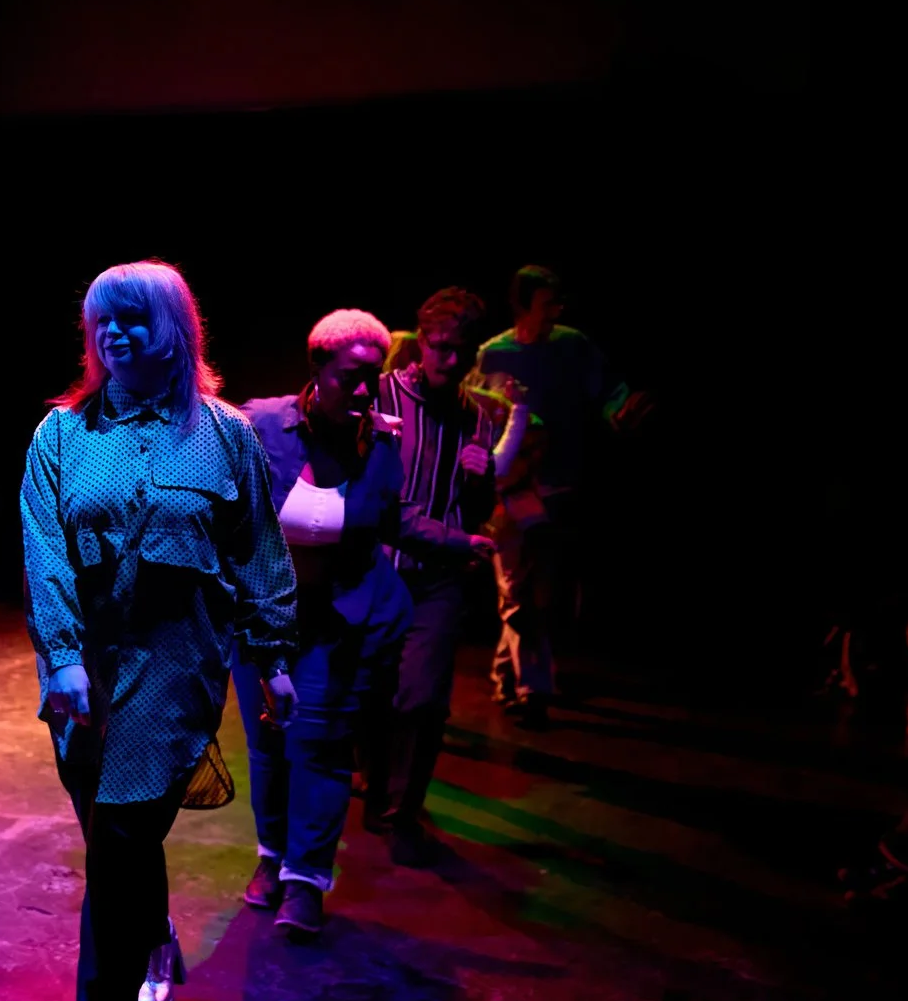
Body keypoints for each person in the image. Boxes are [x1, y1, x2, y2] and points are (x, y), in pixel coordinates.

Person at [22, 260, 297, 1001]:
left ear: (175, 331)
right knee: (111, 835)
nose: (116, 335)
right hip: (84, 675)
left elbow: (258, 547)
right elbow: (45, 552)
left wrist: (275, 654)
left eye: (135, 320)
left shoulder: (224, 435)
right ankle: (156, 936)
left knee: (125, 836)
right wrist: (61, 658)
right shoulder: (60, 437)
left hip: (177, 667)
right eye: (103, 321)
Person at [232, 310, 490, 938]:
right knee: (267, 746)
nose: (364, 391)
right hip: (261, 618)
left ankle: (305, 880)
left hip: (336, 621)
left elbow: (394, 521)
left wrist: (460, 543)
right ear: (317, 369)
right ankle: (271, 858)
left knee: (318, 744)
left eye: (373, 378)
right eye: (350, 376)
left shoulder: (379, 444)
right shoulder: (260, 425)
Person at [361, 289, 528, 864]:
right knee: (373, 696)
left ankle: (402, 812)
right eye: (439, 347)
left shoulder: (479, 417)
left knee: (424, 699)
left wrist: (483, 478)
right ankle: (377, 789)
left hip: (438, 577)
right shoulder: (381, 395)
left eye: (461, 352)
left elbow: (477, 508)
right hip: (376, 569)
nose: (448, 361)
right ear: (422, 339)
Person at [475, 265, 653, 727]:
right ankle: (532, 686)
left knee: (538, 592)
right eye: (547, 301)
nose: (556, 309)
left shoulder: (573, 345)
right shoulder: (494, 354)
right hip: (510, 488)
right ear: (524, 304)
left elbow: (609, 393)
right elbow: (474, 412)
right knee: (516, 590)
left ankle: (506, 675)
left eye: (558, 301)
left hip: (559, 483)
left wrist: (623, 411)